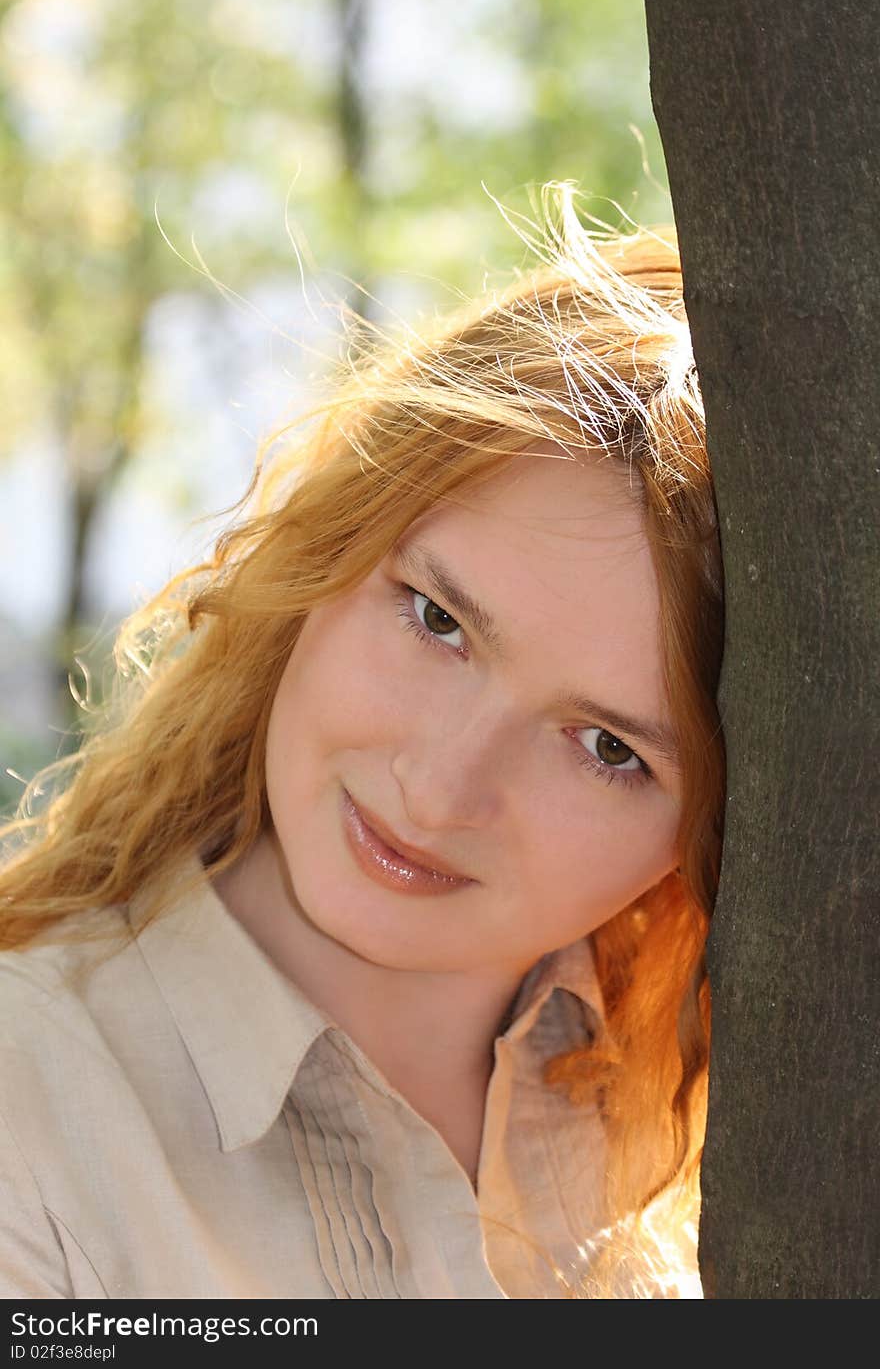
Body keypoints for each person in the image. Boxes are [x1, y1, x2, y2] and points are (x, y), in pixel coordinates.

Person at [0, 189, 725, 1300]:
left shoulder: (709, 1161)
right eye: (438, 620)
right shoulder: (33, 1114)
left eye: (604, 746)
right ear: (324, 555)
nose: (437, 793)